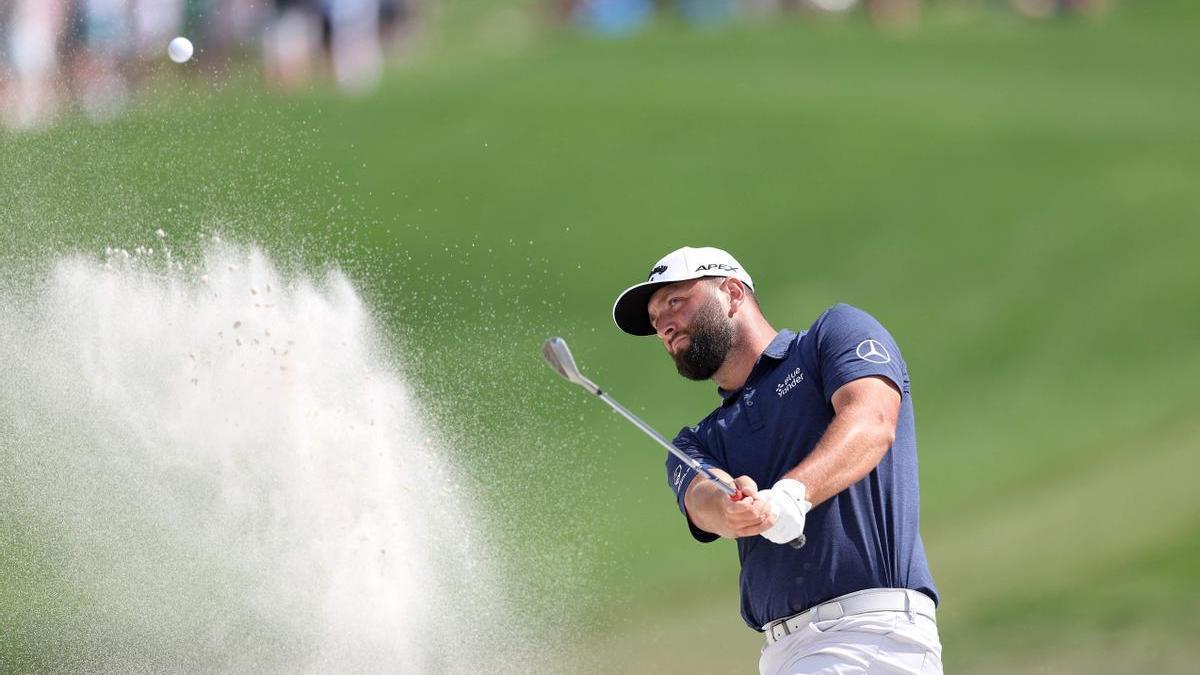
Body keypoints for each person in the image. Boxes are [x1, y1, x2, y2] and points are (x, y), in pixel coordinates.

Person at [612, 246, 942, 675]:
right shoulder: (697, 441)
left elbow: (873, 420)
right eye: (656, 321)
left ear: (732, 292)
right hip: (783, 653)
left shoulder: (831, 337)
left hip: (870, 637)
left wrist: (791, 496)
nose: (665, 326)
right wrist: (733, 511)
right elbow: (703, 498)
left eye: (676, 302)